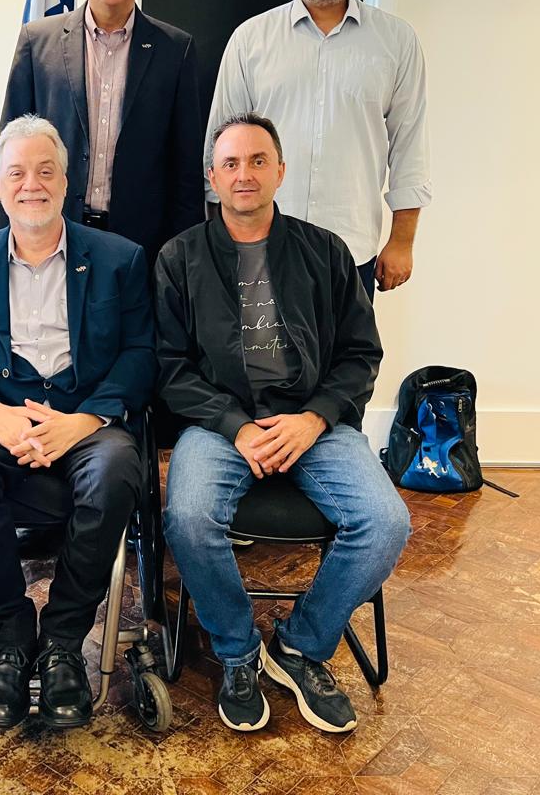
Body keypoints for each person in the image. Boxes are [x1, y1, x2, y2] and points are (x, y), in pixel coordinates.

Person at [157, 113, 410, 733]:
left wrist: (317, 418)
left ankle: (301, 645)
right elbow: (167, 367)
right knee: (186, 518)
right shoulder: (179, 257)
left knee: (386, 523)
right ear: (213, 177)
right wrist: (235, 425)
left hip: (313, 422)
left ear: (280, 170)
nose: (245, 174)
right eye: (232, 164)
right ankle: (238, 651)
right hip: (221, 427)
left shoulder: (325, 251)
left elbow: (360, 355)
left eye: (258, 161)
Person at [0, 114, 155, 730]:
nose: (32, 184)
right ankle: (9, 635)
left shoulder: (120, 260)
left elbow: (141, 355)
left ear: (67, 182)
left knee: (116, 470)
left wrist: (85, 420)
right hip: (0, 412)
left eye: (45, 171)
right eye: (16, 173)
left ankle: (62, 641)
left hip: (86, 417)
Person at [206, 0, 431, 299]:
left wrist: (402, 241)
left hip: (350, 252)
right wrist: (217, 242)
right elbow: (219, 147)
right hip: (257, 247)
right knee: (253, 361)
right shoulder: (251, 40)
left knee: (347, 361)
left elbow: (410, 144)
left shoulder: (396, 41)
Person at [1, 0, 203, 261]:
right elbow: (8, 155)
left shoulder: (176, 51)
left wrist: (181, 262)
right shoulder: (38, 43)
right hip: (50, 238)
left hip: (140, 247)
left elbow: (185, 173)